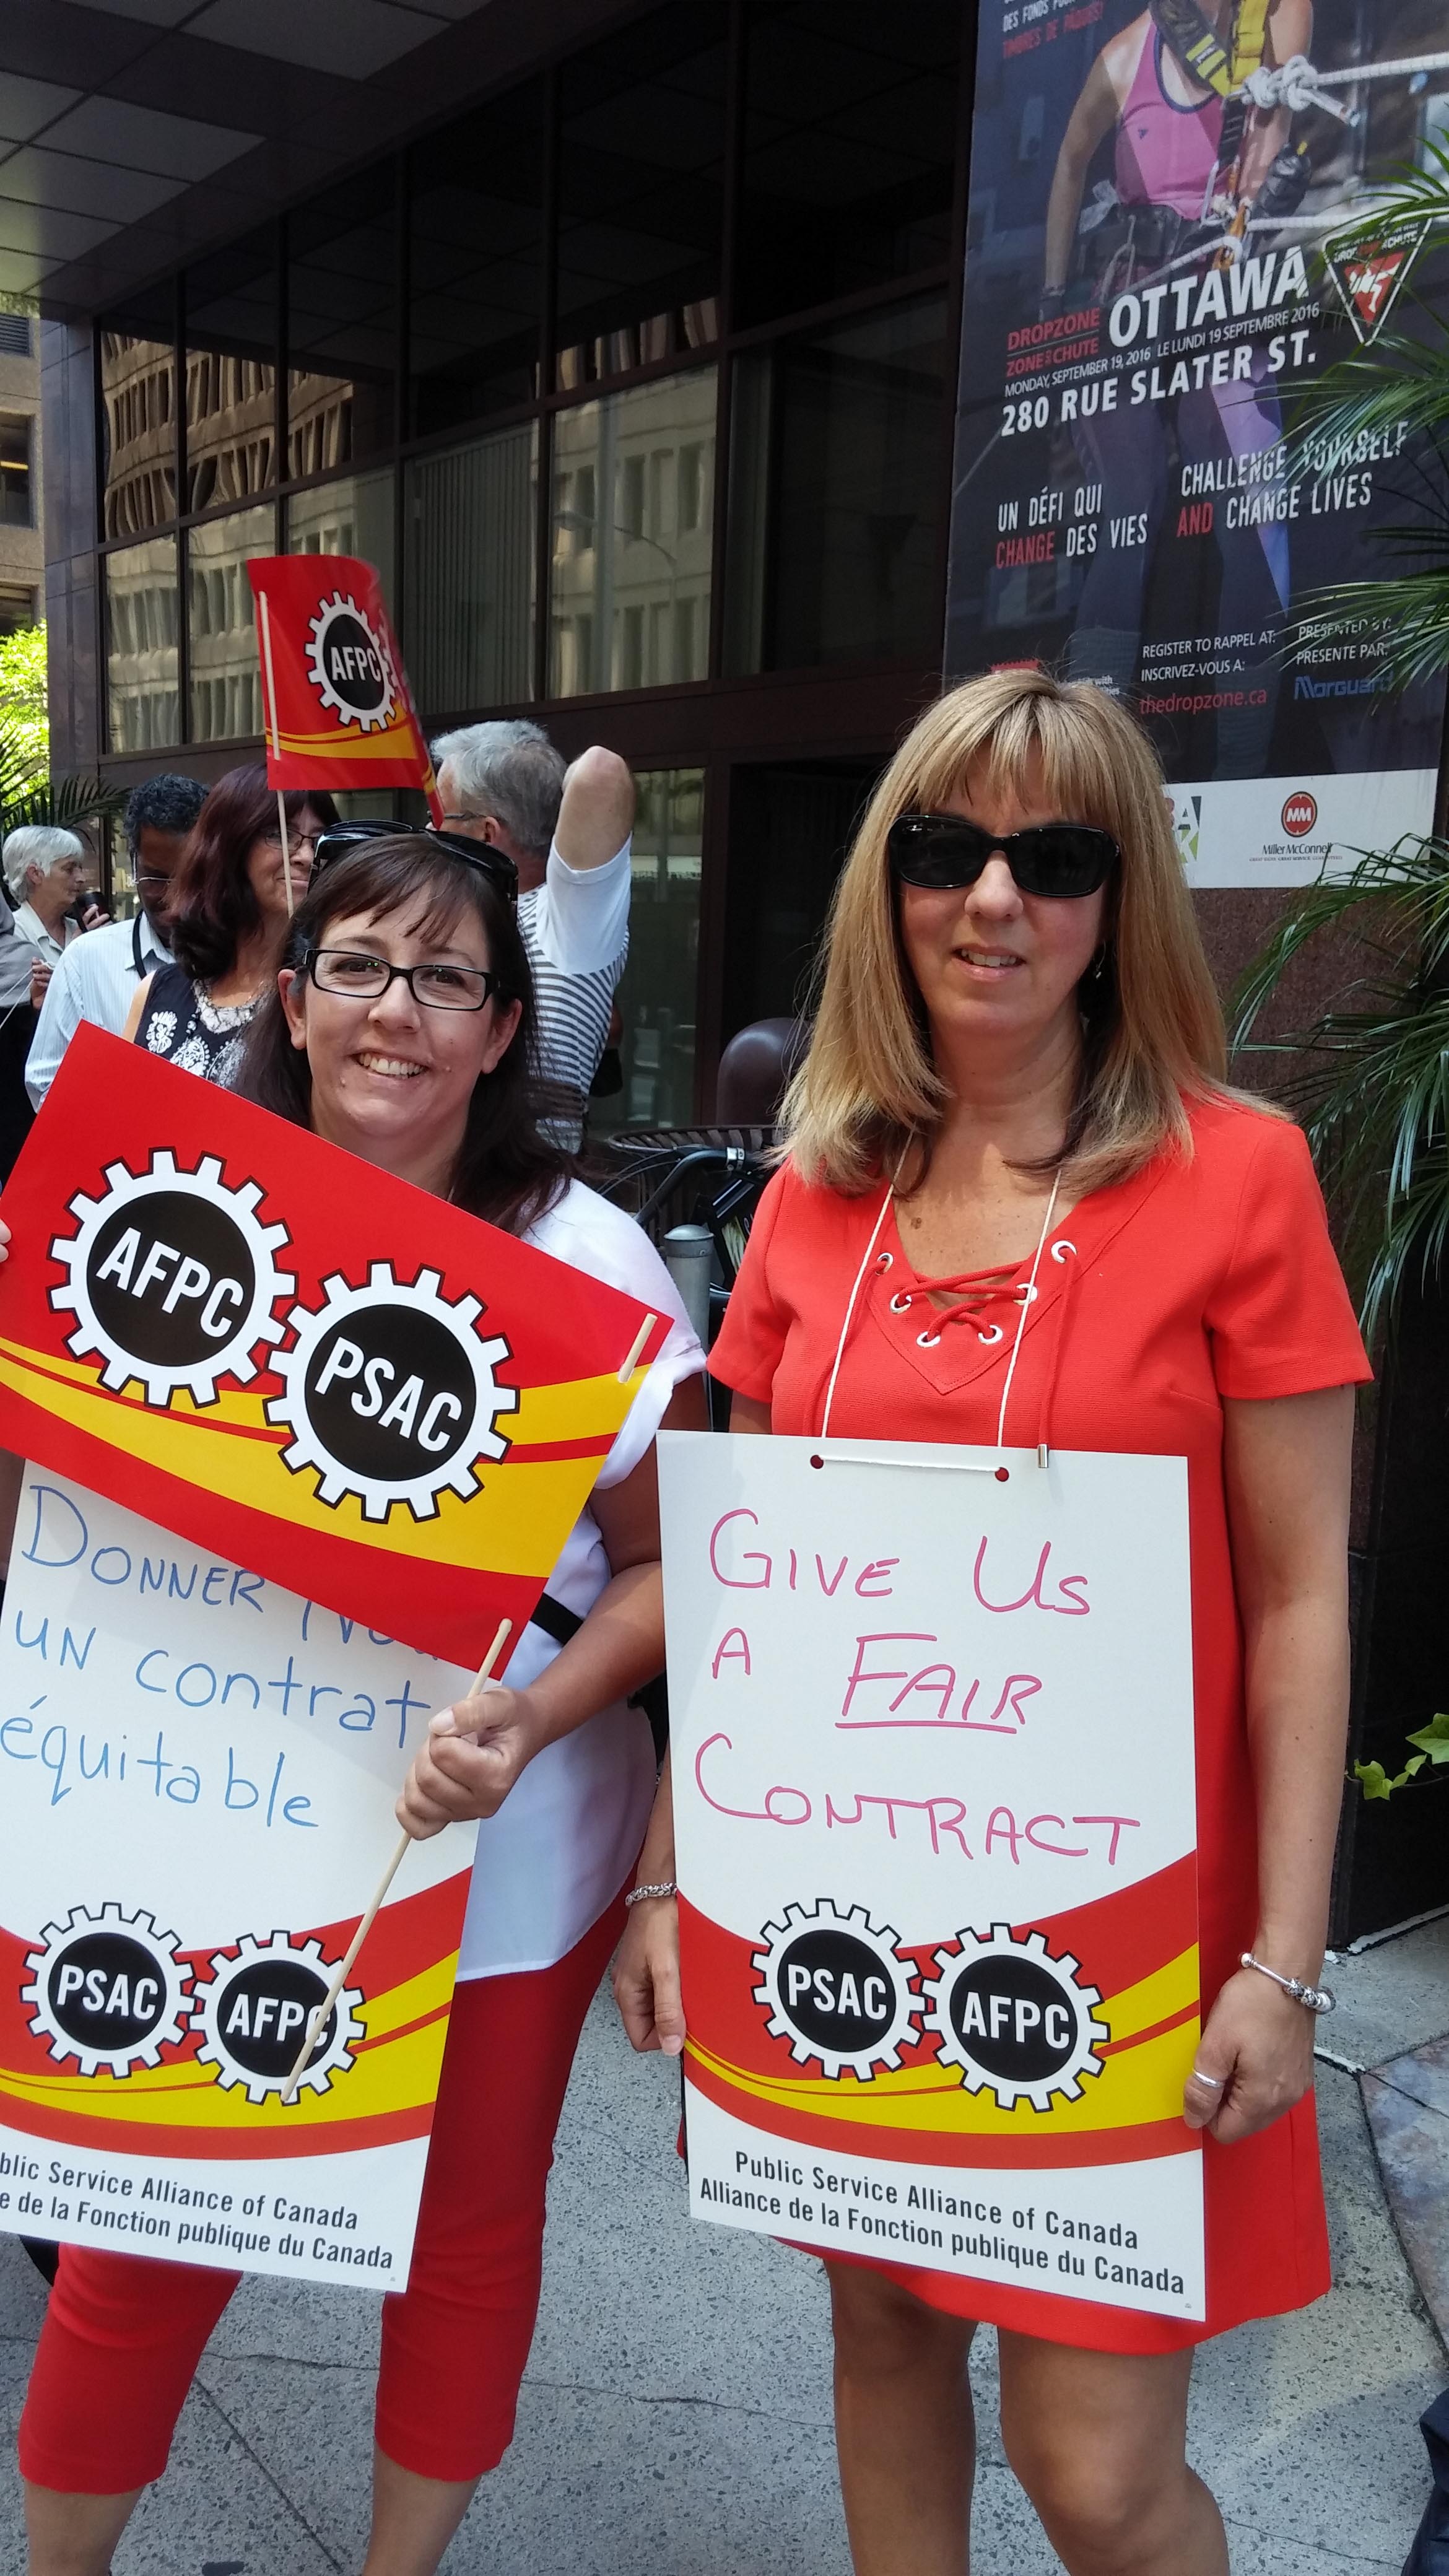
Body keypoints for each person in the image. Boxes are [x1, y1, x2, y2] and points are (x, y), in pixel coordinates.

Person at [615, 668, 1369, 2576]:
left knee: (1093, 2468)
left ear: (1122, 902)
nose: (994, 898)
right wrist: (669, 1876)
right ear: (892, 883)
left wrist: (1284, 1962)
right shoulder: (816, 1194)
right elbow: (749, 1579)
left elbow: (1301, 1600)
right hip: (850, 1905)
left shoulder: (1239, 1175)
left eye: (1056, 859)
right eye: (947, 850)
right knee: (881, 2336)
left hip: (1129, 1934)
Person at [11, 822, 707, 2576]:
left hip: (499, 1853)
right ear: (296, 997)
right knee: (137, 2240)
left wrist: (534, 1722)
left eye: (446, 978)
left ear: (502, 1027)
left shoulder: (591, 1256)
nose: (398, 1010)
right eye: (360, 966)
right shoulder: (165, 1195)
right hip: (194, 1823)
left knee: (461, 2241)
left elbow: (679, 1567)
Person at [1043, 0, 1310, 772]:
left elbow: (1272, 128)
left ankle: (1242, 766)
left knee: (1256, 506)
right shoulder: (1126, 57)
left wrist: (1254, 206)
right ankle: (1087, 768)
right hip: (1132, 298)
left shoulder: (1274, 15)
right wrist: (1054, 302)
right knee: (1128, 509)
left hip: (1219, 290)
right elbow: (1069, 160)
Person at [433, 719, 632, 1149]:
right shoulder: (454, 912)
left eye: (439, 815)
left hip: (518, 1179)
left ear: (486, 833)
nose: (430, 831)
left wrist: (540, 779)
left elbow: (601, 771)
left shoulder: (566, 921)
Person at [121, 765, 337, 1086]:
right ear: (228, 846)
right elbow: (117, 1105)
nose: (306, 855)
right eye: (281, 835)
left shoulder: (327, 998)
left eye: (318, 841)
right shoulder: (156, 991)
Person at [26, 773, 208, 1107]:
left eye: (191, 877)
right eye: (156, 878)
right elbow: (47, 1082)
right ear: (134, 864)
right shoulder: (86, 961)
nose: (174, 897)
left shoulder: (250, 960)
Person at [2, 825, 102, 1014]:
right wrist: (74, 953)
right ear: (35, 874)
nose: (81, 878)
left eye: (80, 868)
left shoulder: (84, 930)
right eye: (69, 869)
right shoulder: (10, 939)